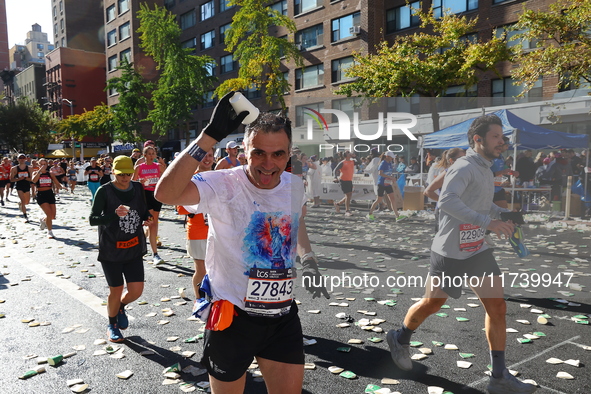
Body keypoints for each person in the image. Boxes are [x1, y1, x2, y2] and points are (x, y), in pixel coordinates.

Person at [154, 92, 329, 394]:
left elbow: (296, 228)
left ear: (289, 153)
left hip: (281, 316)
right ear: (244, 150)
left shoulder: (295, 185)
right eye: (259, 153)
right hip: (232, 318)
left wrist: (309, 260)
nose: (268, 164)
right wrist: (208, 136)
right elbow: (165, 194)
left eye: (278, 154)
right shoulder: (222, 183)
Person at [387, 114, 537, 394]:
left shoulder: (485, 168)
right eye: (496, 137)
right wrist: (488, 222)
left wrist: (502, 213)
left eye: (502, 137)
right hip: (450, 253)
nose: (502, 142)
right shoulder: (464, 166)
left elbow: (481, 202)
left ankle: (499, 376)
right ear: (477, 140)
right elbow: (446, 200)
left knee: (498, 308)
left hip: (477, 250)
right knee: (432, 304)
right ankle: (400, 337)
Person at [90, 155, 152, 343]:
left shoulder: (139, 187)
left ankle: (121, 306)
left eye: (128, 174)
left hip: (133, 247)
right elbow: (93, 219)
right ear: (113, 172)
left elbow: (142, 210)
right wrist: (113, 215)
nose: (125, 178)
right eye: (121, 174)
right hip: (111, 249)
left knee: (136, 291)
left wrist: (147, 217)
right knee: (115, 290)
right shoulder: (104, 191)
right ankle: (112, 324)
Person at [176, 147, 214, 299]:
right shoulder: (191, 179)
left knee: (217, 270)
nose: (207, 158)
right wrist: (202, 203)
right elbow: (181, 208)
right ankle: (200, 302)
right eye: (204, 155)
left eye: (210, 155)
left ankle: (215, 303)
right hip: (198, 232)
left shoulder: (218, 177)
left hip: (218, 232)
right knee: (202, 270)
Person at [133, 146, 166, 265]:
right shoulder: (139, 167)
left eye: (154, 153)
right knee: (151, 222)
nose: (152, 156)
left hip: (156, 194)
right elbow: (132, 182)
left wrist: (164, 166)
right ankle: (153, 252)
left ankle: (152, 251)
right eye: (149, 154)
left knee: (153, 222)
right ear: (144, 155)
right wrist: (139, 182)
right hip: (145, 194)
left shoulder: (158, 166)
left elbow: (167, 177)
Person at [367, 152, 404, 221]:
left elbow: (389, 172)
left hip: (387, 184)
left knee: (392, 199)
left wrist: (392, 177)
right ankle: (370, 213)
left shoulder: (390, 163)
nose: (392, 159)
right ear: (387, 156)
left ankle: (397, 216)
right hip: (381, 184)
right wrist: (389, 177)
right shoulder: (383, 163)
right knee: (379, 200)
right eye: (391, 157)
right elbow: (380, 173)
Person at [31, 158, 63, 238]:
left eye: (44, 164)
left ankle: (43, 220)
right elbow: (34, 181)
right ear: (38, 165)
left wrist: (62, 186)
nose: (43, 166)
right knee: (48, 213)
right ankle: (50, 232)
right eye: (41, 164)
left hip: (50, 194)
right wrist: (40, 171)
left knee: (52, 216)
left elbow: (56, 182)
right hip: (41, 194)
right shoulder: (35, 172)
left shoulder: (50, 174)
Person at [333, 151, 357, 216]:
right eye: (348, 153)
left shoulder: (352, 161)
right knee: (348, 195)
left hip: (349, 180)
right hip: (343, 180)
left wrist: (354, 156)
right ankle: (347, 210)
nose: (350, 153)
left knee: (349, 195)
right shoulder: (343, 162)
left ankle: (338, 204)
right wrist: (335, 177)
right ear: (345, 155)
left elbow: (359, 162)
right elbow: (335, 170)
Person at [10, 153, 32, 222]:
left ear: (25, 159)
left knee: (27, 202)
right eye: (20, 158)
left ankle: (20, 204)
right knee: (23, 201)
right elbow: (11, 179)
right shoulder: (14, 168)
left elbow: (32, 178)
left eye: (23, 158)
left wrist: (25, 178)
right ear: (17, 159)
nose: (22, 159)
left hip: (27, 185)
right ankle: (25, 216)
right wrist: (18, 179)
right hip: (19, 185)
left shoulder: (29, 168)